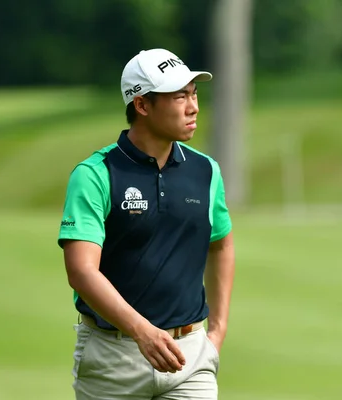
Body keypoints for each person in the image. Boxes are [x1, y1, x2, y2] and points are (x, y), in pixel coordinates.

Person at [57, 48, 235, 400]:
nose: (193, 106)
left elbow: (222, 244)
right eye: (179, 96)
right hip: (113, 359)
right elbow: (81, 271)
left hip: (190, 357)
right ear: (142, 105)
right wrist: (142, 331)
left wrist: (217, 330)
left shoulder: (206, 170)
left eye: (194, 93)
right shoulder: (95, 175)